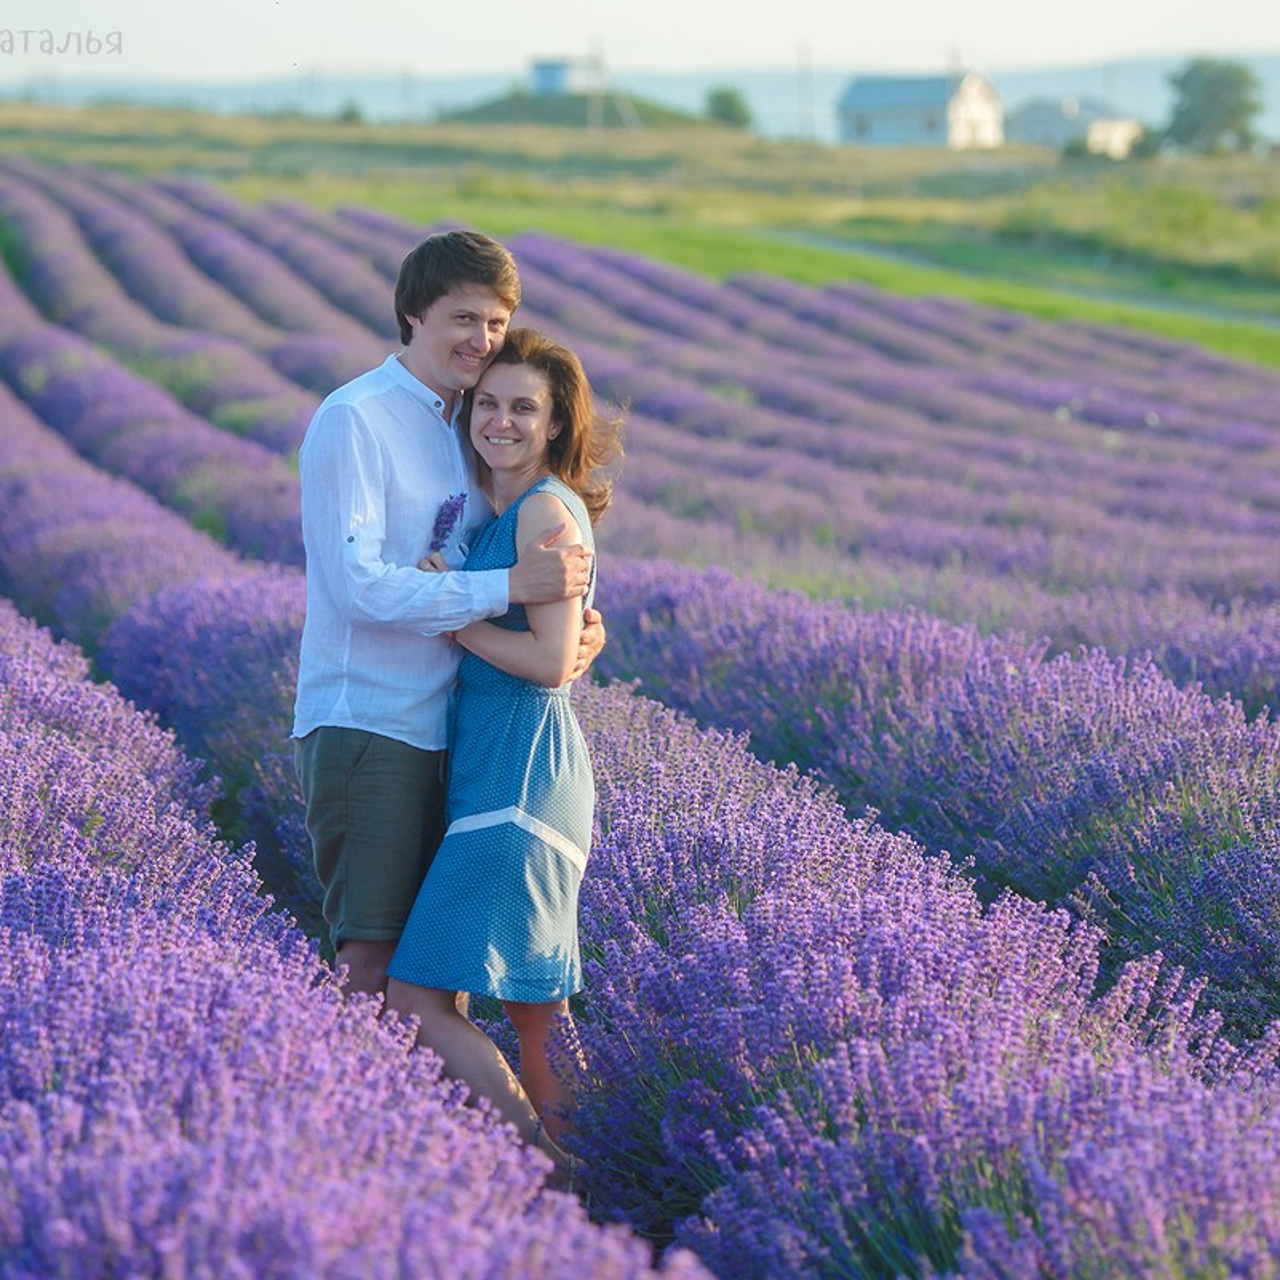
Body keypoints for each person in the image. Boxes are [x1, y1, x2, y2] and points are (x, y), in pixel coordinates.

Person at [291, 230, 605, 1003]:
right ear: (412, 314)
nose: (483, 339)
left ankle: (441, 1127)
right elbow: (359, 586)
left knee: (441, 979)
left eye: (496, 322)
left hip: (455, 734)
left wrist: (567, 639)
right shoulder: (356, 419)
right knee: (372, 961)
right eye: (465, 318)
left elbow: (499, 556)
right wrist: (506, 593)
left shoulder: (461, 426)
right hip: (371, 722)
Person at [384, 327, 623, 1181]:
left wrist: (453, 615)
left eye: (525, 408)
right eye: (489, 403)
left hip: (519, 782)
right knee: (536, 1009)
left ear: (556, 425)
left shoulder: (547, 511)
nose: (501, 421)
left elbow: (552, 664)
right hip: (519, 774)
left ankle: (544, 1170)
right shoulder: (504, 510)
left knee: (416, 996)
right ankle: (612, 1177)